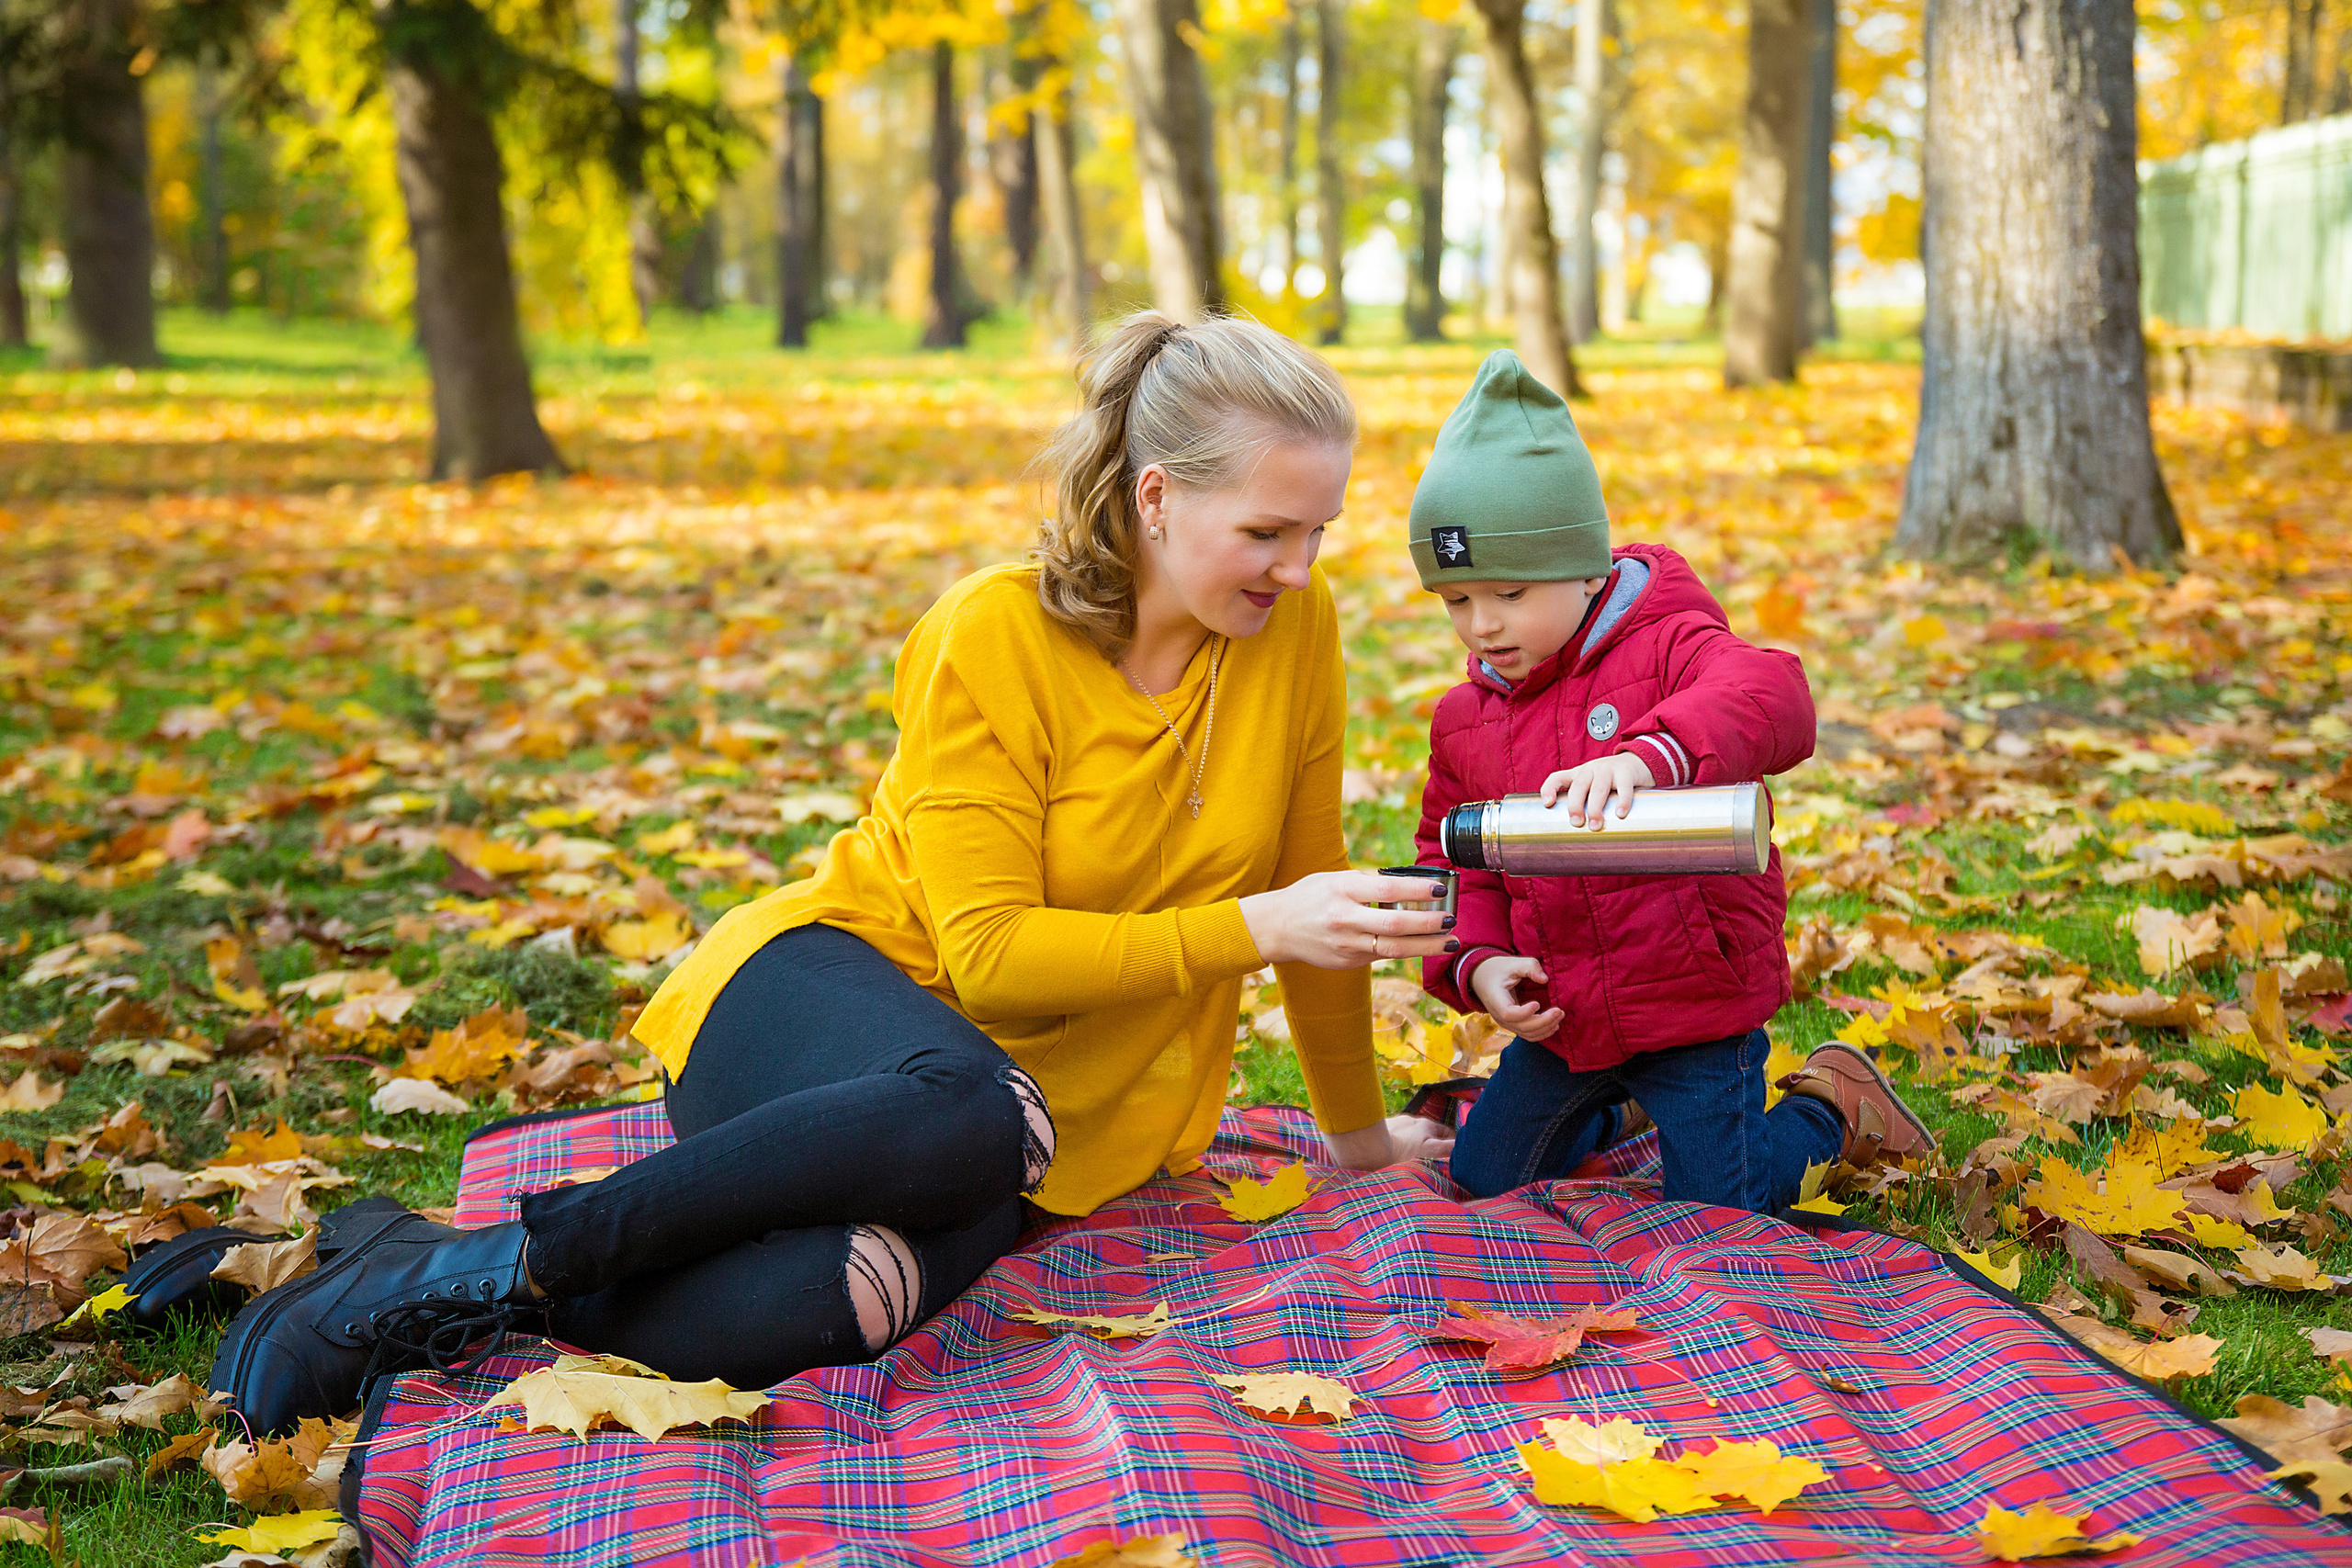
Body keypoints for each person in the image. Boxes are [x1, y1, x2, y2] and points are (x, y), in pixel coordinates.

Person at [205, 312, 1459, 1435]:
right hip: (813, 1006)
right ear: (1155, 497)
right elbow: (993, 958)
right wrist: (1253, 922)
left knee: (851, 1290)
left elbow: (1315, 899)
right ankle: (476, 1269)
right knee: (979, 1106)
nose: (1299, 566)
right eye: (1268, 530)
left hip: (1002, 1136)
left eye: (1318, 530)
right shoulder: (993, 635)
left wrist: (1353, 1130)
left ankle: (438, 1275)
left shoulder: (1294, 633)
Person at [1407, 350, 1932, 1213]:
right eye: (1456, 600)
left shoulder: (1667, 644)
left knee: (1722, 1211)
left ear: (1584, 567)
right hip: (1568, 1017)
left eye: (1508, 590)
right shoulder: (1464, 718)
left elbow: (1776, 696)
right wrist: (1481, 963)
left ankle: (1832, 1106)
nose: (1483, 622)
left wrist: (1648, 756)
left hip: (1695, 1009)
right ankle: (1609, 1109)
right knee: (1483, 1177)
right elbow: (1454, 859)